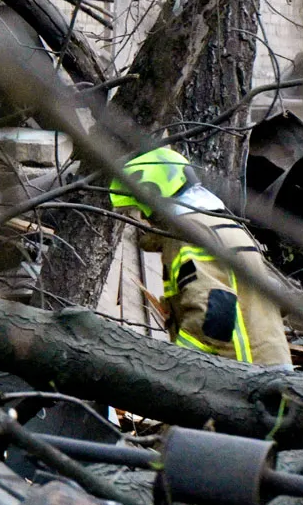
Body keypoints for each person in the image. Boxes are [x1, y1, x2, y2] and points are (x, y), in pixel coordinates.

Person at [109, 145, 292, 367]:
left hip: (239, 374)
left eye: (136, 211)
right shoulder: (222, 225)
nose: (136, 223)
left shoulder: (187, 234)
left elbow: (214, 314)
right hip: (273, 367)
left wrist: (177, 366)